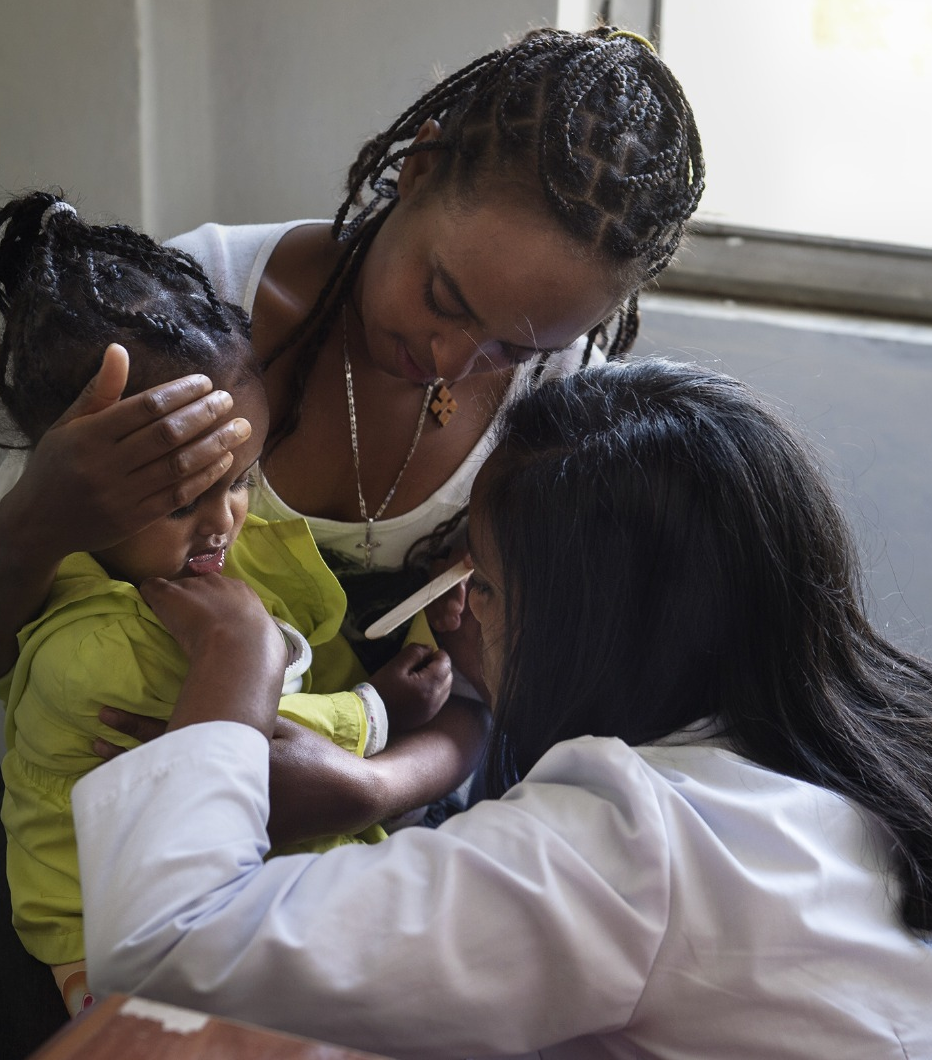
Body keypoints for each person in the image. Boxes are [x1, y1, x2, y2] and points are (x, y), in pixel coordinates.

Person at [0, 24, 704, 1057]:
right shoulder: (193, 318)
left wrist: (373, 781)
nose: (449, 358)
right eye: (443, 296)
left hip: (381, 803)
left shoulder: (549, 404)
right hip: (79, 808)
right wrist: (44, 512)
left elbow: (488, 693)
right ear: (418, 164)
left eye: (515, 343)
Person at [74, 357, 932, 1059]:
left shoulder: (629, 846)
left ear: (583, 628)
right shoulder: (868, 741)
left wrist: (236, 662)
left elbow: (167, 958)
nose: (464, 609)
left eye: (483, 583)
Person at [0, 193, 462, 1027]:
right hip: (109, 933)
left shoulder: (195, 552)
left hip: (212, 853)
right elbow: (258, 734)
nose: (225, 520)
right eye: (185, 501)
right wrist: (375, 711)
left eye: (244, 478)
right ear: (86, 487)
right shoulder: (106, 644)